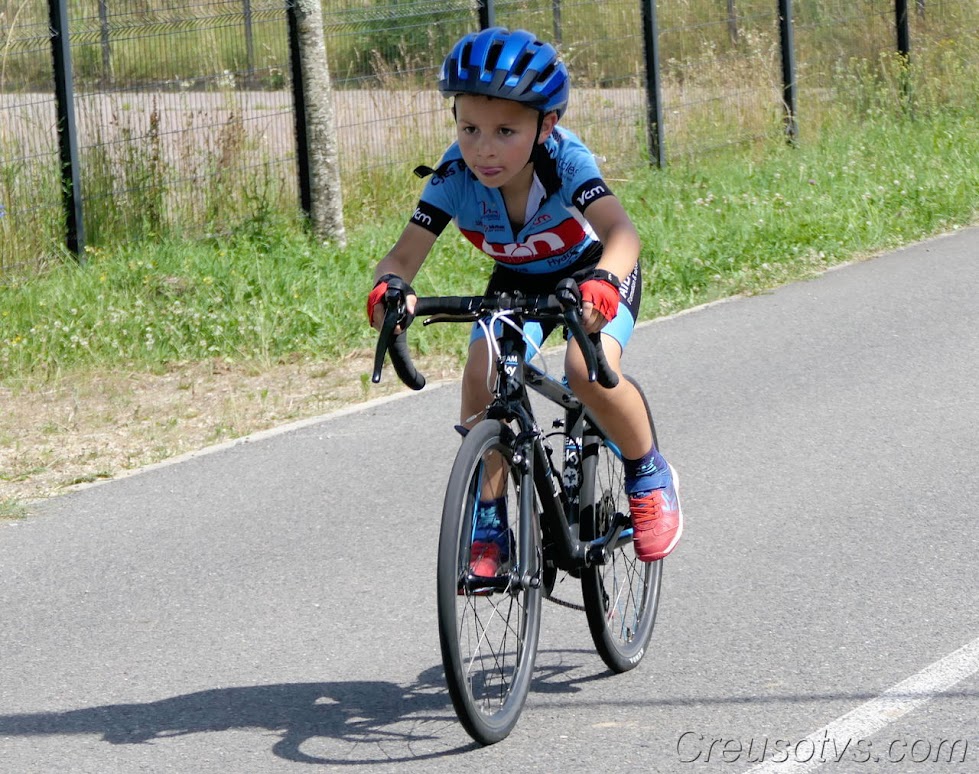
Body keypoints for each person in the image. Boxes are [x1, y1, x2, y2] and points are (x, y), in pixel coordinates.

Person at [368, 27, 682, 571]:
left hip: (593, 271)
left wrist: (604, 282)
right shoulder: (454, 174)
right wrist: (388, 289)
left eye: (505, 131)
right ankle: (489, 520)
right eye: (469, 128)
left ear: (546, 126)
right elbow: (402, 256)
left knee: (585, 371)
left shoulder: (565, 162)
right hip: (518, 279)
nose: (483, 149)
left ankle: (649, 472)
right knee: (482, 372)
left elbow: (623, 235)